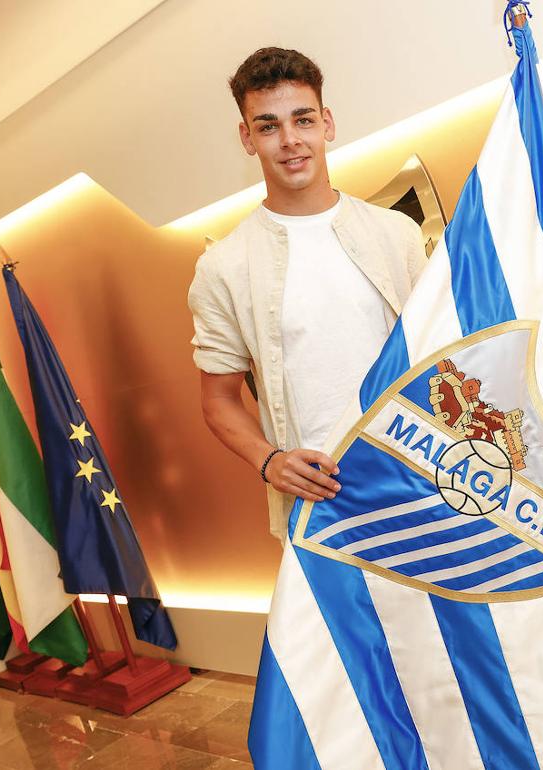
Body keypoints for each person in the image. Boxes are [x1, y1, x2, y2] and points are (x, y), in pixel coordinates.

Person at [188, 47, 428, 542]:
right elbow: (218, 400)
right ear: (247, 138)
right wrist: (269, 460)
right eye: (268, 126)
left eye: (303, 119)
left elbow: (439, 351)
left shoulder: (397, 234)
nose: (290, 140)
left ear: (328, 123)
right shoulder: (223, 267)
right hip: (320, 504)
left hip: (422, 479)